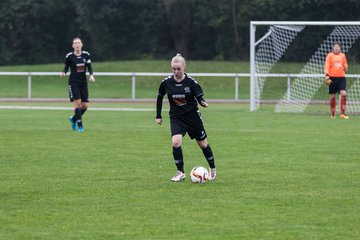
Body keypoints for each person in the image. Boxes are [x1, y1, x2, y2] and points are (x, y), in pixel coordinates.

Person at [155, 53, 216, 182]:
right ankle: (180, 172)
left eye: (178, 69)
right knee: (176, 142)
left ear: (184, 67)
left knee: (202, 144)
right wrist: (158, 115)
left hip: (192, 117)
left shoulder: (191, 82)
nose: (176, 71)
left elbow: (199, 96)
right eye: (173, 69)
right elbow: (160, 97)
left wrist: (202, 102)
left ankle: (212, 169)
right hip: (176, 118)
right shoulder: (166, 83)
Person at [60, 37, 95, 132]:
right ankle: (80, 126)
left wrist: (91, 75)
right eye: (75, 43)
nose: (77, 44)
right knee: (78, 103)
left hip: (83, 82)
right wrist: (63, 72)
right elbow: (66, 66)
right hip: (73, 82)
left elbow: (89, 67)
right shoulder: (69, 56)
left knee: (85, 106)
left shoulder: (86, 55)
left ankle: (74, 119)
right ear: (73, 45)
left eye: (79, 43)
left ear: (82, 45)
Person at [324, 42, 349, 119]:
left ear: (340, 48)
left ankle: (342, 114)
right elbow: (327, 66)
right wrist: (327, 76)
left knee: (343, 93)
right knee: (332, 96)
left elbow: (345, 65)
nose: (336, 48)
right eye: (335, 47)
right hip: (331, 78)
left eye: (337, 47)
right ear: (333, 48)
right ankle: (333, 114)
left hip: (341, 78)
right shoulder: (330, 56)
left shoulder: (343, 56)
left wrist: (346, 67)